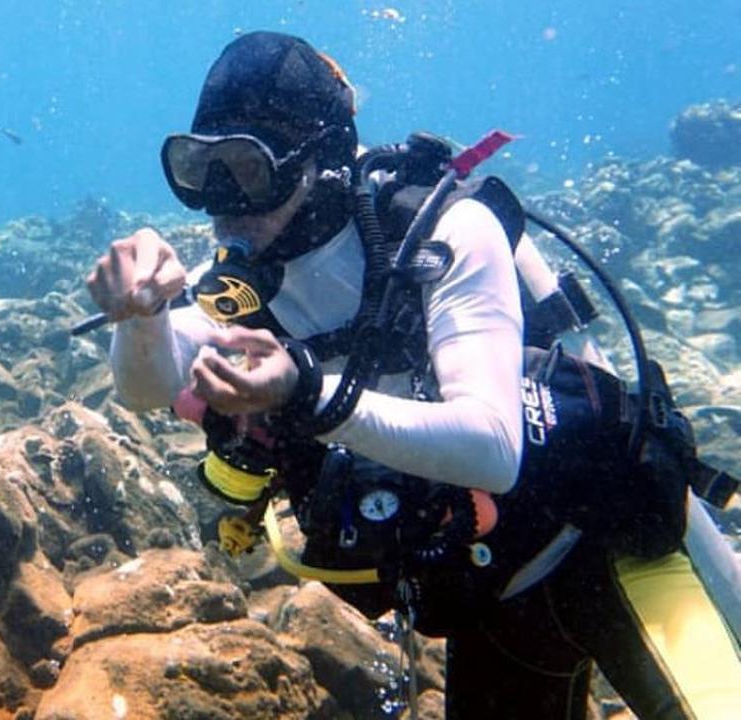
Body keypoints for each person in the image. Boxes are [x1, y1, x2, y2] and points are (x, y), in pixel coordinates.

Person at [86, 31, 740, 719]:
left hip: (607, 547)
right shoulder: (247, 284)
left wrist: (307, 393)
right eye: (197, 167)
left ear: (321, 163)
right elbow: (148, 386)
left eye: (245, 170)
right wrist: (146, 314)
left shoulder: (448, 234)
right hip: (492, 602)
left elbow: (491, 447)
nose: (221, 202)